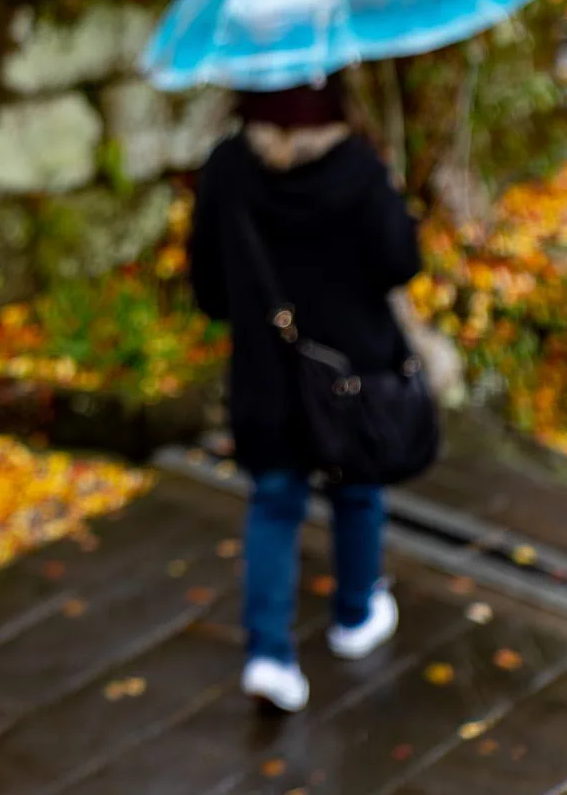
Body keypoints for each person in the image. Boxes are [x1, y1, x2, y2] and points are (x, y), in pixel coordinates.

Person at [189, 75, 422, 714]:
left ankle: (269, 655)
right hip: (352, 375)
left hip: (267, 377)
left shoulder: (228, 169)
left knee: (273, 503)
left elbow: (207, 291)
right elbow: (399, 263)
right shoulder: (359, 169)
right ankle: (354, 616)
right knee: (357, 491)